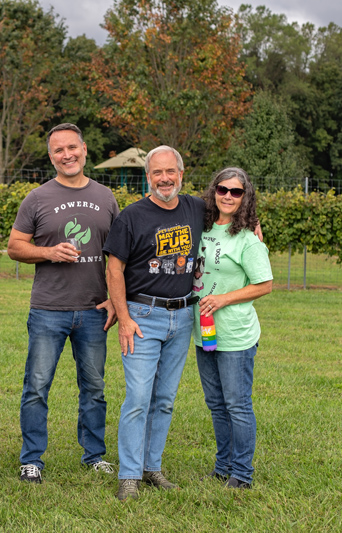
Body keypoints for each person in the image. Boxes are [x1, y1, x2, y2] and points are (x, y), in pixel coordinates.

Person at [8, 123, 119, 483]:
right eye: (59, 150)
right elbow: (14, 247)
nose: (67, 155)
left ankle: (94, 455)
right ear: (51, 156)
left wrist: (116, 301)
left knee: (94, 388)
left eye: (72, 147)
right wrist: (48, 252)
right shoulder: (37, 198)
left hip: (94, 309)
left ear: (84, 150)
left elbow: (119, 256)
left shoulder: (106, 197)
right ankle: (31, 460)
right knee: (37, 387)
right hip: (48, 309)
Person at [103, 145, 205, 501]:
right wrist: (124, 319)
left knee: (164, 399)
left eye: (170, 171)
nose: (165, 178)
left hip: (183, 316)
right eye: (157, 172)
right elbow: (114, 269)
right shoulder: (131, 217)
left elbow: (234, 211)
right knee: (138, 398)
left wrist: (255, 227)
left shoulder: (196, 208)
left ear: (181, 173)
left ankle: (151, 467)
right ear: (148, 177)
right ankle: (129, 475)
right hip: (143, 317)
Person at [193, 167, 273, 490]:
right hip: (204, 332)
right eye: (222, 189)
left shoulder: (248, 240)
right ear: (213, 191)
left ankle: (242, 474)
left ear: (245, 197)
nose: (228, 196)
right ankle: (223, 467)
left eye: (236, 192)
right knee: (216, 404)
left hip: (236, 336)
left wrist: (223, 299)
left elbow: (264, 284)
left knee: (237, 405)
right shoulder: (201, 227)